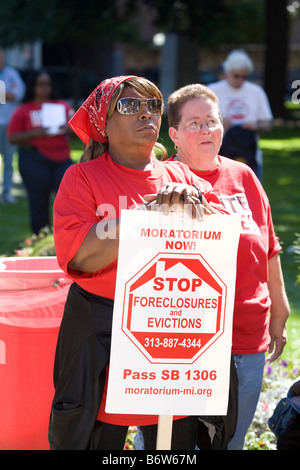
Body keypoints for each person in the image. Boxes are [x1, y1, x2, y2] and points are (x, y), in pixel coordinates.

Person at [47, 75, 228, 451]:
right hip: (103, 337)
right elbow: (79, 255)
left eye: (154, 106)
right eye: (130, 106)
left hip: (169, 334)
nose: (146, 114)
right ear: (103, 122)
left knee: (174, 446)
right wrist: (145, 215)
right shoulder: (80, 178)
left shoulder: (180, 175)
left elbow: (217, 244)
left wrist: (192, 201)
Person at [164, 82, 290, 450]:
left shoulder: (244, 177)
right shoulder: (163, 181)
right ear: (174, 134)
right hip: (184, 340)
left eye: (211, 121)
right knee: (172, 446)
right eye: (194, 124)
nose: (205, 130)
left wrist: (279, 309)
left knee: (231, 442)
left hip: (247, 334)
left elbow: (268, 246)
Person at [7, 71, 74, 235]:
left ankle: (67, 235)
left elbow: (79, 132)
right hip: (34, 159)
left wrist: (69, 128)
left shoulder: (63, 107)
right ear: (33, 86)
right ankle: (40, 236)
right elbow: (12, 137)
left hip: (62, 159)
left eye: (48, 84)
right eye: (41, 84)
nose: (45, 88)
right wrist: (35, 134)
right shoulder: (24, 110)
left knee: (69, 200)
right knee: (38, 202)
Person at [208, 50, 273, 181]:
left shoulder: (256, 92)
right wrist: (217, 122)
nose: (240, 80)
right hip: (218, 152)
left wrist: (256, 126)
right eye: (236, 76)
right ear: (226, 72)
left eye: (244, 77)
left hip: (249, 152)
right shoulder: (212, 90)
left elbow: (268, 124)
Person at [0, 47, 25, 203]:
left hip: (8, 124)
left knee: (9, 160)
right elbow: (8, 95)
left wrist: (5, 94)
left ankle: (6, 193)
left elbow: (18, 94)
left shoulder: (12, 74)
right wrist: (7, 94)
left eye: (1, 56)